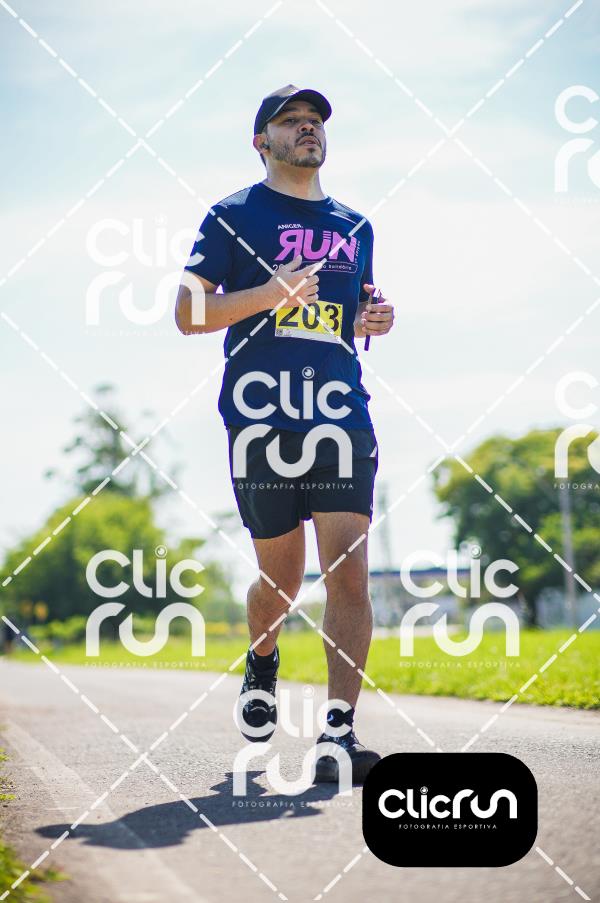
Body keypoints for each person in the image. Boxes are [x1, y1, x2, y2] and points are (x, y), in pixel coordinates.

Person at [176, 85, 395, 783]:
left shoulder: (356, 226)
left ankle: (337, 733)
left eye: (315, 121)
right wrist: (272, 293)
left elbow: (349, 312)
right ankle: (262, 658)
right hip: (260, 416)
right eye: (291, 121)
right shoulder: (232, 216)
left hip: (339, 412)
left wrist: (373, 318)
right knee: (282, 577)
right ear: (261, 141)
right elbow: (188, 312)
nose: (308, 129)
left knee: (348, 572)